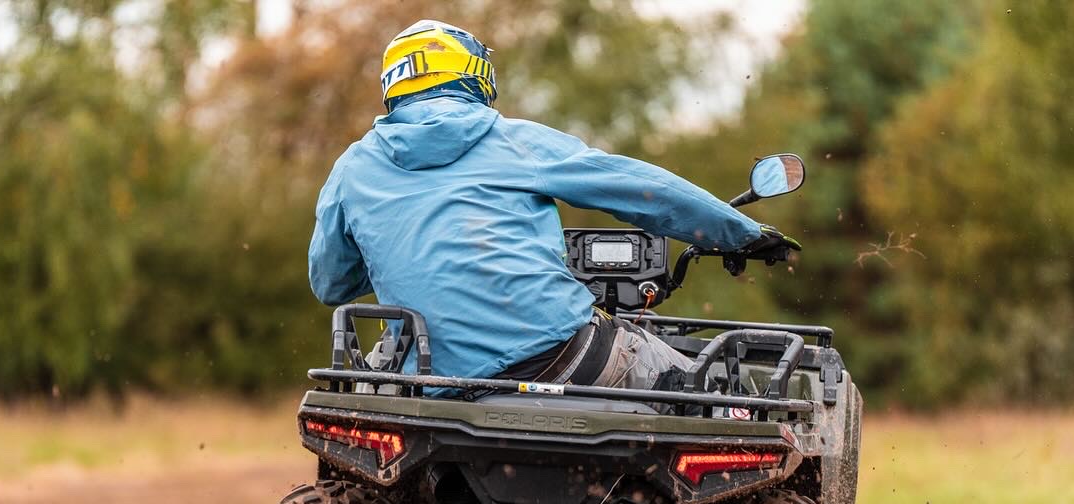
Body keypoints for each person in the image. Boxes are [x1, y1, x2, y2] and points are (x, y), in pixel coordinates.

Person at [309, 19, 800, 393]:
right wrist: (740, 233)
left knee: (368, 402)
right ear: (474, 75)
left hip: (428, 381)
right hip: (556, 358)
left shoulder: (352, 168)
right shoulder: (512, 140)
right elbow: (638, 189)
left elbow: (331, 283)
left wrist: (400, 245)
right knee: (714, 397)